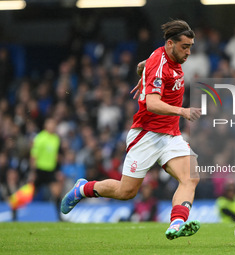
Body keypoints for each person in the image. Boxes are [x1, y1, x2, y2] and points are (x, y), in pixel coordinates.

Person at [61, 20, 202, 240]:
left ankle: (176, 223)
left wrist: (143, 73)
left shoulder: (163, 57)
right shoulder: (161, 63)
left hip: (170, 135)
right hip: (146, 134)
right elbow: (152, 104)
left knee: (191, 177)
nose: (189, 52)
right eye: (185, 46)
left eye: (190, 46)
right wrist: (183, 111)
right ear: (170, 44)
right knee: (126, 192)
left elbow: (143, 64)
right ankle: (83, 188)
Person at [30, 118, 63, 219]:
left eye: (54, 124)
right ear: (46, 125)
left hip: (50, 171)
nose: (52, 126)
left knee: (57, 192)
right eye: (50, 124)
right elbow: (33, 156)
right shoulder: (40, 138)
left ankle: (59, 217)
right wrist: (33, 172)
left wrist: (58, 169)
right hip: (40, 170)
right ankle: (15, 208)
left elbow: (56, 155)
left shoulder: (56, 139)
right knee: (30, 193)